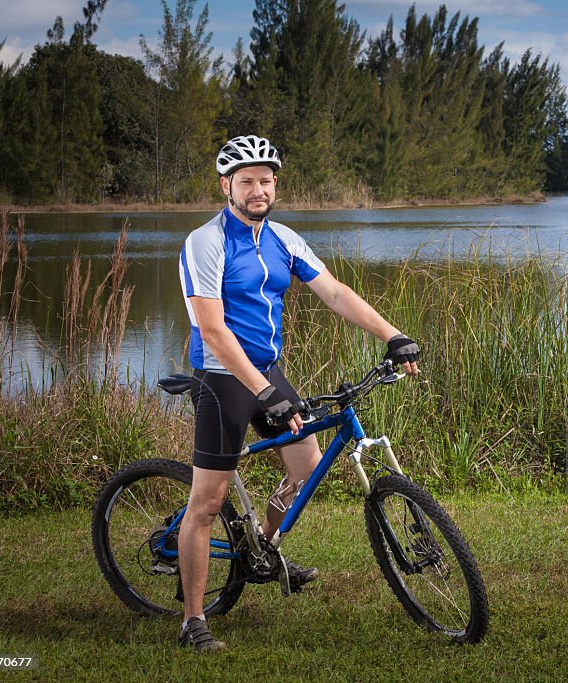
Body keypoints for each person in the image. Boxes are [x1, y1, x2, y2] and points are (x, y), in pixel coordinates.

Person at [176, 134, 420, 652]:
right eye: (247, 181)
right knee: (207, 501)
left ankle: (261, 548)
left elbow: (333, 291)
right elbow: (214, 330)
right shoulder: (206, 242)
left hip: (265, 369)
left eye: (266, 181)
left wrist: (392, 335)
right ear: (227, 187)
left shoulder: (283, 237)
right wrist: (267, 393)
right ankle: (193, 620)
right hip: (222, 377)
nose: (258, 189)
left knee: (307, 467)